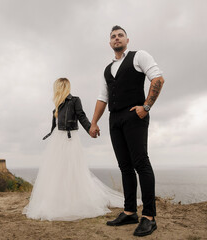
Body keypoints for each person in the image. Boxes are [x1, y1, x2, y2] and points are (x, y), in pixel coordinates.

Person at [89, 26, 164, 236]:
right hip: (115, 119)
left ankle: (149, 217)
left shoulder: (139, 56)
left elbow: (157, 79)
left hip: (135, 115)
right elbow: (102, 97)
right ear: (109, 42)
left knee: (141, 162)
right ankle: (130, 211)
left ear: (127, 39)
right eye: (112, 36)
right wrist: (93, 123)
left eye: (120, 35)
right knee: (124, 166)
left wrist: (146, 107)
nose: (116, 38)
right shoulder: (107, 69)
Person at [23, 78, 124, 221]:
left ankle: (73, 200)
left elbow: (81, 116)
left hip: (70, 139)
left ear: (59, 87)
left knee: (71, 170)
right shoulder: (57, 104)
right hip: (58, 139)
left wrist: (90, 128)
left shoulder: (75, 100)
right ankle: (59, 200)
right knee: (57, 171)